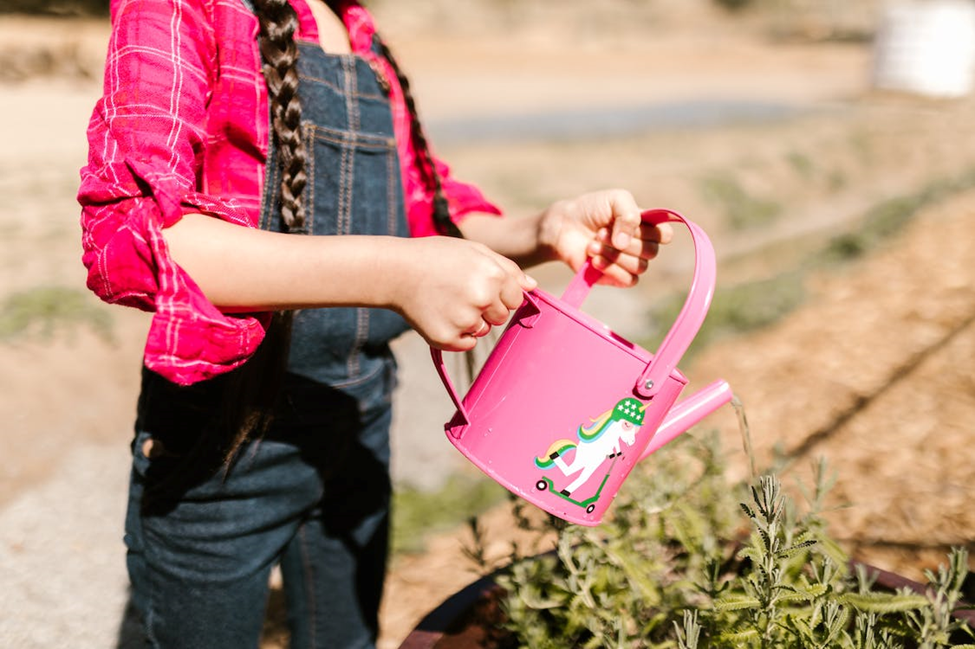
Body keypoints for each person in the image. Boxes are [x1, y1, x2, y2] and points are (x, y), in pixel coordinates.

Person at [78, 0, 672, 647]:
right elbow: (134, 239)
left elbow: (429, 216)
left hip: (357, 428)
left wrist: (544, 228)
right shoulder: (189, 8)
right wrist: (395, 274)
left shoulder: (360, 34)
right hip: (223, 451)